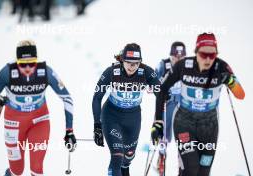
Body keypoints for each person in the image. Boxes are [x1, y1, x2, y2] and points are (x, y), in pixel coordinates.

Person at [155, 33, 245, 176]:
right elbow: (162, 90)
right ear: (196, 52)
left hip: (209, 127)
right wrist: (158, 121)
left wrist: (231, 82)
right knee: (191, 168)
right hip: (184, 122)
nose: (208, 59)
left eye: (212, 55)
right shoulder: (183, 66)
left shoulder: (222, 66)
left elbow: (241, 95)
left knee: (204, 171)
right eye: (204, 54)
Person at [0, 40, 77, 176]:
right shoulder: (7, 72)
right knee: (17, 170)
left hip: (39, 121)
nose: (28, 68)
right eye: (23, 64)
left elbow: (67, 99)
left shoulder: (46, 72)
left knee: (37, 168)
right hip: (13, 124)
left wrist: (69, 131)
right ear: (17, 61)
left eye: (32, 62)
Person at [92, 43, 164, 176]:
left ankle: (125, 168)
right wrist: (97, 125)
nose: (133, 67)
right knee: (117, 156)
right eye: (129, 63)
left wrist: (162, 96)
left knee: (128, 157)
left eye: (136, 63)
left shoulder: (146, 72)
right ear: (122, 60)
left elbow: (160, 95)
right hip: (111, 115)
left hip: (133, 118)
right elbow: (97, 98)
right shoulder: (111, 72)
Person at [155, 41, 186, 175]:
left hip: (182, 103)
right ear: (171, 55)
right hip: (167, 103)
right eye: (175, 57)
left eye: (181, 57)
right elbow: (153, 83)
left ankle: (183, 161)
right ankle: (161, 157)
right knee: (164, 134)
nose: (178, 60)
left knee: (184, 134)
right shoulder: (164, 65)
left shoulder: (189, 65)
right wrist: (161, 91)